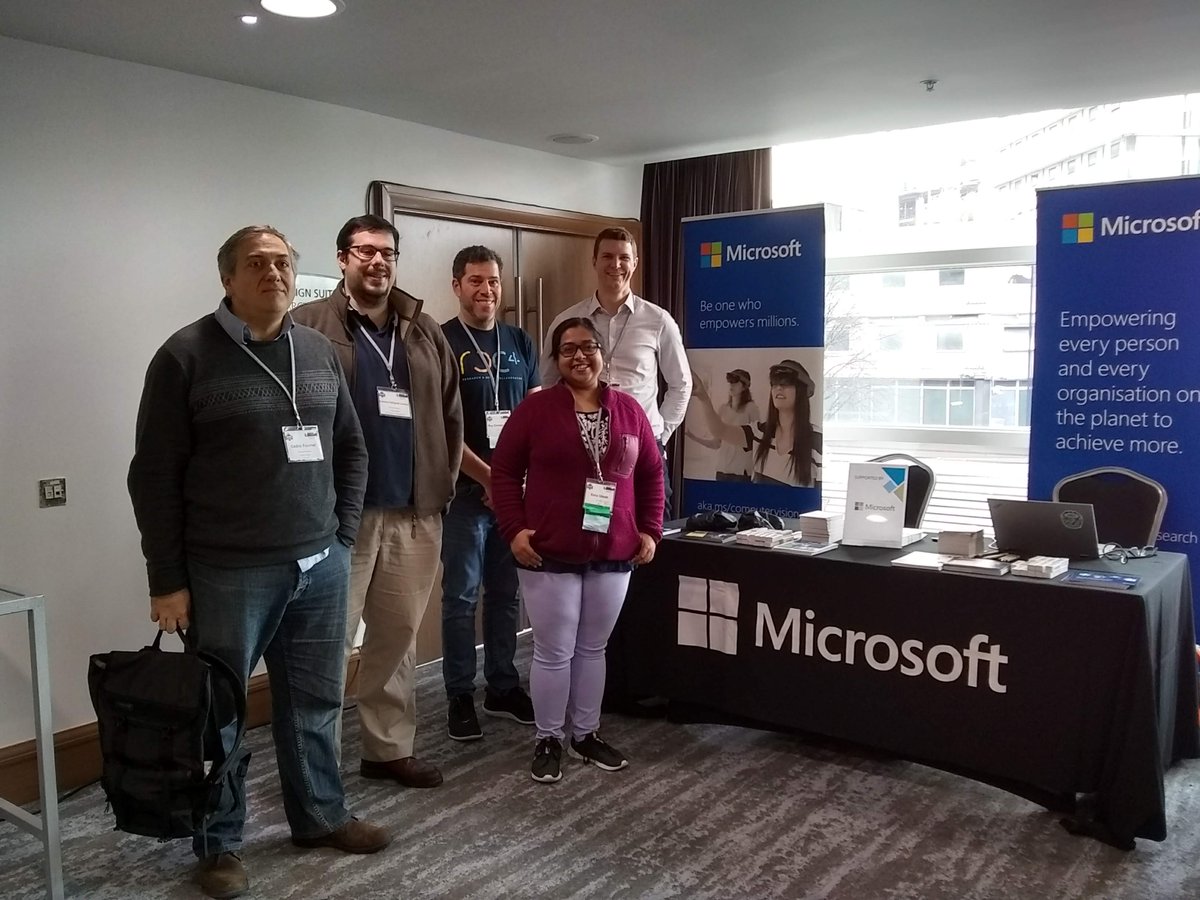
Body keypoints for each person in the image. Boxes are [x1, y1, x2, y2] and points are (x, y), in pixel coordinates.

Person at [127, 225, 391, 899]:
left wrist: (343, 535)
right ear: (228, 278)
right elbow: (153, 476)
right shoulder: (185, 355)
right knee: (219, 714)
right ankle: (218, 844)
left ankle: (320, 816)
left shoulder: (318, 350)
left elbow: (351, 448)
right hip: (227, 571)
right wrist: (167, 579)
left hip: (320, 564)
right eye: (256, 263)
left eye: (282, 262)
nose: (273, 272)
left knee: (316, 701)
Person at [292, 214, 463, 790]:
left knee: (396, 638)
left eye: (387, 252)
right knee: (326, 643)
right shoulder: (308, 326)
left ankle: (387, 750)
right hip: (338, 519)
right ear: (342, 258)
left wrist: (441, 488)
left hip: (414, 514)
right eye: (364, 251)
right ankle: (314, 767)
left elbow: (451, 416)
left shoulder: (423, 330)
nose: (377, 261)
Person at [491, 317, 664, 783]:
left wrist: (651, 530)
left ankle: (585, 734)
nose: (579, 356)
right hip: (550, 549)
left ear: (602, 353)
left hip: (615, 549)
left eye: (588, 346)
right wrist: (514, 530)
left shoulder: (629, 410)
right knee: (553, 651)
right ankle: (548, 738)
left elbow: (651, 473)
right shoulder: (536, 410)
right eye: (568, 349)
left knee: (593, 648)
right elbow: (503, 472)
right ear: (556, 359)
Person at [439, 245, 540, 741]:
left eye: (494, 281)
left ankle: (502, 685)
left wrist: (514, 483)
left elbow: (536, 419)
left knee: (504, 594)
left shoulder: (519, 341)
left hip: (511, 495)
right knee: (460, 597)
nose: (486, 290)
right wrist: (489, 481)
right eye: (476, 281)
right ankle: (460, 693)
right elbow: (440, 429)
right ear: (457, 285)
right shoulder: (440, 341)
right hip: (464, 494)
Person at [540, 226, 690, 518]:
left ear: (635, 263)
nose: (616, 264)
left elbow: (681, 385)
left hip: (643, 448)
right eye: (607, 256)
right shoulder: (567, 320)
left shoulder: (658, 320)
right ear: (594, 261)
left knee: (653, 529)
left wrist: (659, 435)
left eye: (624, 257)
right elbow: (548, 382)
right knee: (594, 527)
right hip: (583, 449)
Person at [691, 359, 822, 487]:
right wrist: (703, 397)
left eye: (786, 382)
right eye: (774, 383)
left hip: (740, 475)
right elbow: (720, 431)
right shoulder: (759, 433)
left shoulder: (816, 441)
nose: (779, 387)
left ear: (802, 391)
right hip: (725, 474)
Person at [684, 368, 761, 481]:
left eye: (735, 381)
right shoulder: (723, 409)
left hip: (741, 473)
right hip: (721, 471)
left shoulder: (751, 408)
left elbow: (757, 442)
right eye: (730, 381)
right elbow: (716, 443)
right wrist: (692, 436)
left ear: (744, 386)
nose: (731, 385)